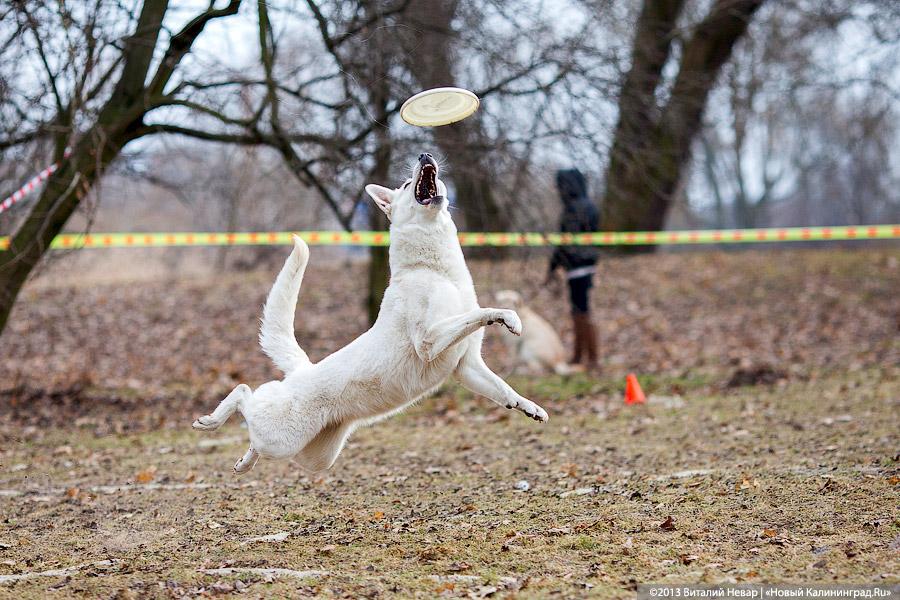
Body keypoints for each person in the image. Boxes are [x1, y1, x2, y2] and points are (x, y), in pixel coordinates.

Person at [546, 168, 599, 370]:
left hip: (578, 266)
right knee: (579, 310)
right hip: (584, 264)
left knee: (581, 310)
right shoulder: (588, 206)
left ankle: (590, 358)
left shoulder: (575, 209)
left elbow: (565, 243)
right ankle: (580, 356)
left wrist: (552, 268)